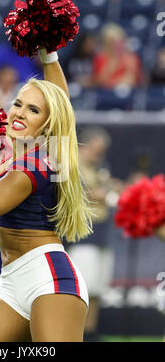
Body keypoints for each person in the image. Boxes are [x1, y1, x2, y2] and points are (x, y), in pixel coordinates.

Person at [0, 48, 93, 342]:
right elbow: (57, 100)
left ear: (47, 125)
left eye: (33, 110)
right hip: (14, 285)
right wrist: (49, 56)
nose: (20, 113)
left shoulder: (34, 164)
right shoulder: (25, 152)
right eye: (18, 104)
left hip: (50, 282)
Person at [66, 126, 120, 341]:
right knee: (80, 289)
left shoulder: (99, 168)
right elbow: (73, 194)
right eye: (96, 151)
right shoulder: (71, 166)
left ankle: (90, 333)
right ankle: (71, 333)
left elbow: (110, 188)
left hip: (101, 234)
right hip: (81, 236)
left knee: (96, 289)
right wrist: (101, 194)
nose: (100, 155)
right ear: (85, 147)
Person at [92, 23, 143, 89]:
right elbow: (100, 81)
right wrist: (112, 62)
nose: (116, 45)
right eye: (110, 42)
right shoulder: (101, 57)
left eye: (120, 41)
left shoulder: (131, 58)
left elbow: (132, 80)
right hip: (106, 93)